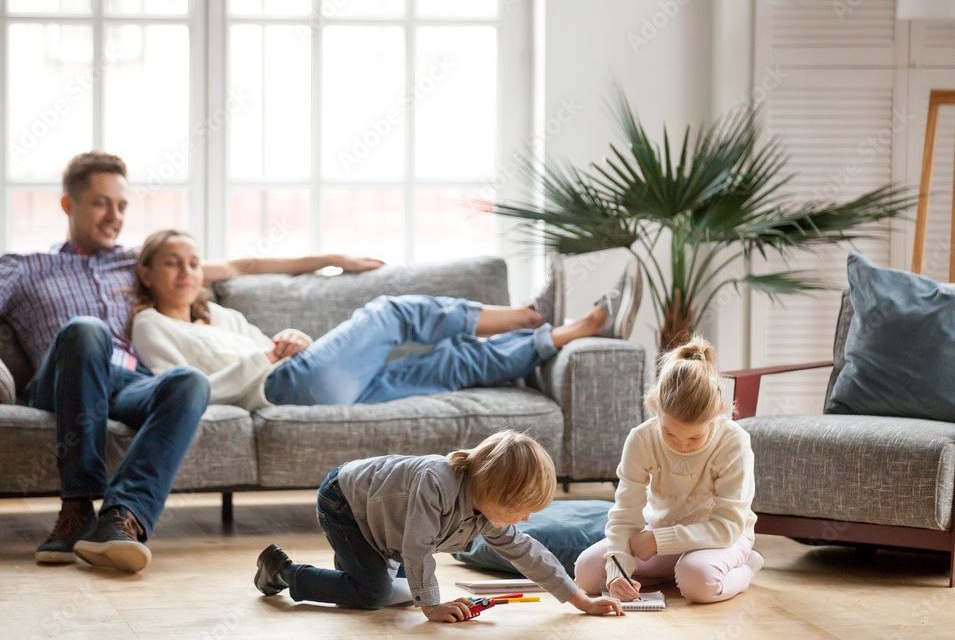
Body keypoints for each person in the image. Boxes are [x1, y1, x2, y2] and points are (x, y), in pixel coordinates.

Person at [0, 151, 383, 572]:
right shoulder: (24, 268)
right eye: (100, 203)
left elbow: (242, 265)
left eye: (122, 205)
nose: (114, 216)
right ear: (68, 205)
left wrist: (333, 260)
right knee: (86, 329)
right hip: (62, 383)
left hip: (127, 382)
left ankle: (120, 519)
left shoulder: (133, 262)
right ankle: (76, 508)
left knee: (188, 380)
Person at [128, 229, 640, 409]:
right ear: (147, 272)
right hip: (281, 388)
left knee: (449, 365)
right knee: (390, 312)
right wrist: (268, 357)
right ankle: (530, 314)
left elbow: (272, 343)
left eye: (193, 262)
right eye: (172, 262)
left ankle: (571, 331)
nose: (186, 272)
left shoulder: (219, 314)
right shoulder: (151, 325)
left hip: (311, 379)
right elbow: (179, 389)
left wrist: (290, 338)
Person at [252, 430, 624, 621]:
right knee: (375, 595)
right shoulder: (436, 482)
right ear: (492, 489)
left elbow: (529, 554)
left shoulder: (487, 511)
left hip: (385, 524)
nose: (525, 519)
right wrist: (432, 606)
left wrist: (582, 600)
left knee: (393, 595)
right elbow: (417, 548)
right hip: (346, 503)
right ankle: (283, 571)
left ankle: (355, 570)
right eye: (519, 509)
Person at [573, 337, 763, 604]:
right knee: (586, 574)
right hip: (660, 533)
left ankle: (744, 569)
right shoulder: (641, 438)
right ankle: (673, 572)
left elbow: (726, 527)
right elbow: (625, 515)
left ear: (717, 416)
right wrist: (618, 571)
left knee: (698, 582)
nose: (682, 446)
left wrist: (657, 541)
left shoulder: (734, 442)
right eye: (669, 434)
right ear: (656, 408)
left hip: (722, 538)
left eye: (694, 438)